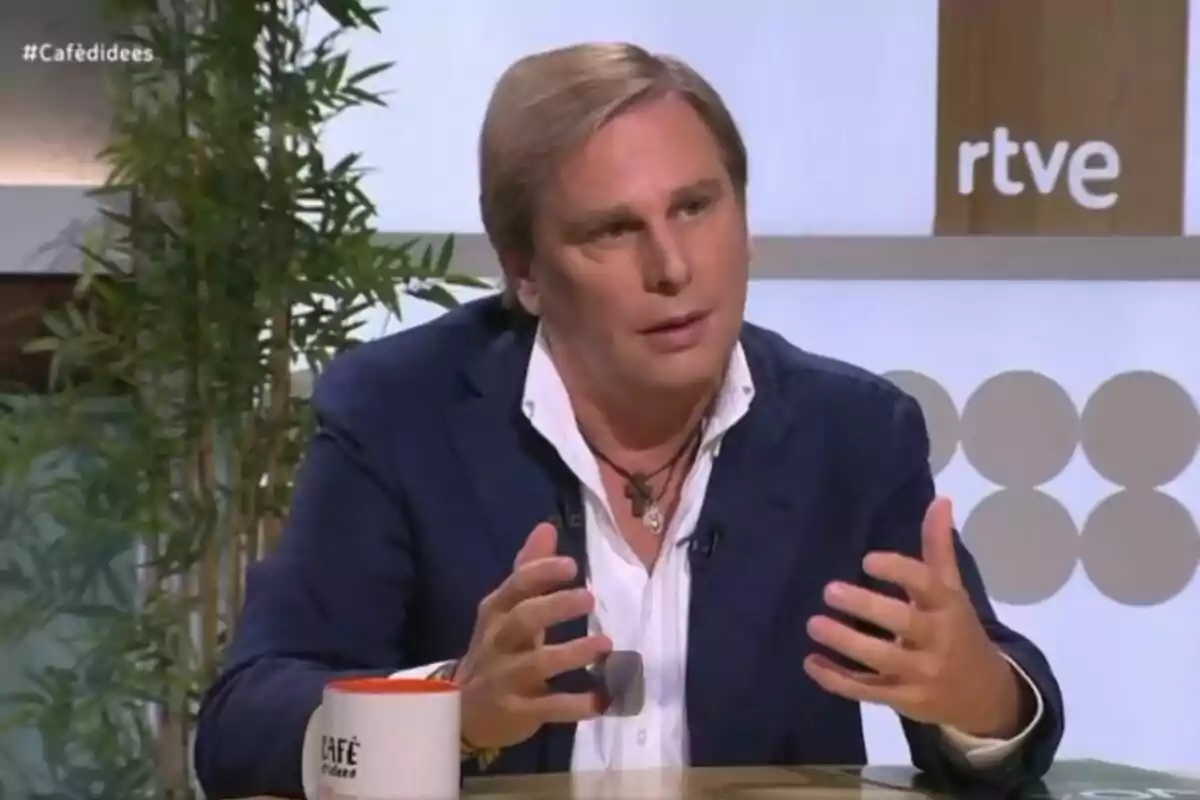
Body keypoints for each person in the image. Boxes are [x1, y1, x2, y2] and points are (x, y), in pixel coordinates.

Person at [193, 41, 1064, 799]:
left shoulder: (854, 435)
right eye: (612, 231)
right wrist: (451, 711)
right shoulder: (400, 415)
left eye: (696, 206)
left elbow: (994, 728)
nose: (672, 266)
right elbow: (242, 726)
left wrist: (977, 696)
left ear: (744, 218)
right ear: (526, 273)